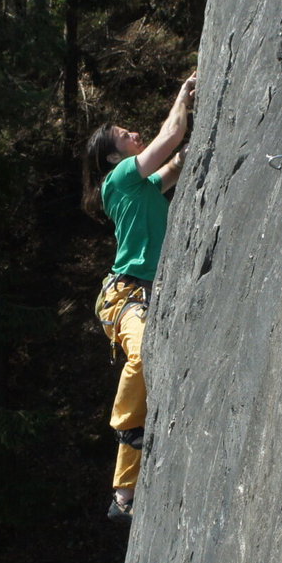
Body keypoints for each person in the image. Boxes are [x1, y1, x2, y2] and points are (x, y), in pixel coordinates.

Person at [82, 72, 197, 521]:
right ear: (115, 156)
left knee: (150, 354)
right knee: (144, 352)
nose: (133, 133)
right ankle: (124, 472)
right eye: (124, 135)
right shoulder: (118, 181)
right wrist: (182, 96)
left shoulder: (142, 187)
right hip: (124, 295)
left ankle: (124, 492)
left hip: (146, 293)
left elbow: (179, 161)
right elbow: (172, 137)